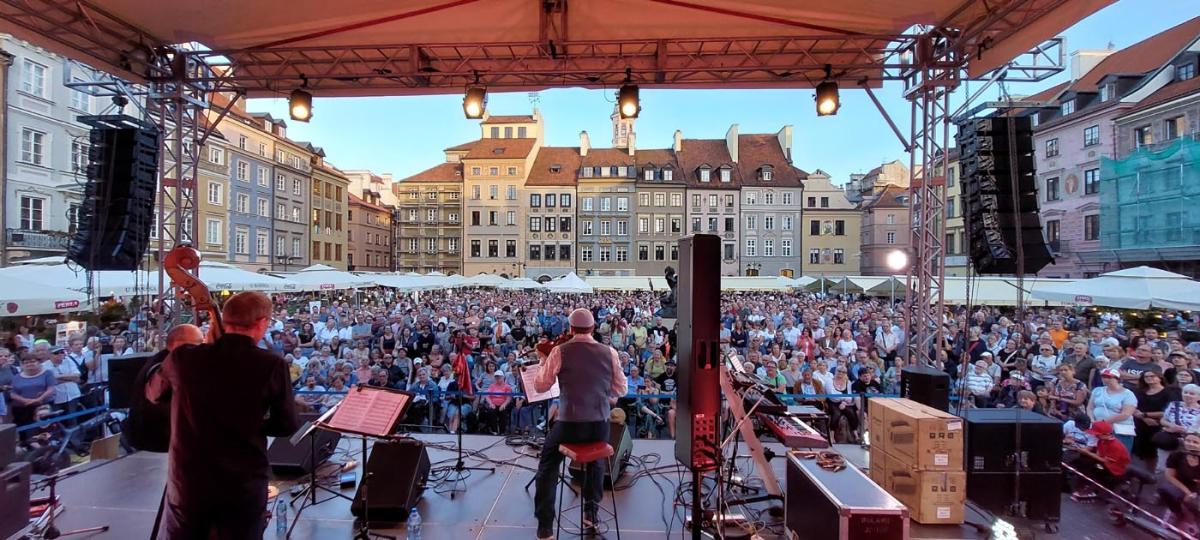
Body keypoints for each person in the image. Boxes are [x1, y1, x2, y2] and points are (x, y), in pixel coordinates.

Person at [147, 291, 300, 539]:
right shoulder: (271, 365)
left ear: (224, 320)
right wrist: (252, 422)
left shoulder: (183, 358)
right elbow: (286, 424)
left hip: (189, 480)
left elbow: (154, 394)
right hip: (242, 483)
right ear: (262, 322)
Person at [531, 308, 627, 540]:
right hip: (598, 424)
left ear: (571, 329)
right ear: (593, 329)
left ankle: (545, 526)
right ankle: (591, 513)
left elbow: (540, 386)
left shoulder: (560, 351)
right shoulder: (609, 352)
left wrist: (544, 361)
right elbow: (621, 389)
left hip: (569, 424)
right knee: (595, 460)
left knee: (547, 465)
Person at [1068, 420, 1131, 501]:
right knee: (1082, 461)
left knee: (1091, 465)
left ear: (1104, 434)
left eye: (1097, 434)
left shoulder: (1116, 446)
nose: (1095, 435)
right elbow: (1098, 455)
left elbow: (1106, 461)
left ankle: (1092, 489)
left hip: (1115, 470)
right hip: (1104, 464)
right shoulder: (1101, 441)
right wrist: (1082, 451)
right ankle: (1086, 485)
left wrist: (1086, 452)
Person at [1089, 368, 1138, 453]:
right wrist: (1092, 420)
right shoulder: (1097, 390)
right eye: (1103, 377)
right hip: (1098, 427)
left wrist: (1104, 422)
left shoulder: (1128, 394)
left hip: (1118, 429)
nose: (1105, 379)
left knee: (1117, 454)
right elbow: (1090, 407)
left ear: (1117, 379)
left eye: (1109, 377)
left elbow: (1126, 414)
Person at [1159, 432, 1200, 523]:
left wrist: (1194, 494)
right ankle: (1177, 513)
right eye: (1188, 441)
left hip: (1197, 488)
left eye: (1195, 442)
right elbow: (1169, 476)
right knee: (1164, 488)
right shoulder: (1177, 455)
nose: (1190, 444)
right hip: (1180, 485)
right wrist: (1188, 493)